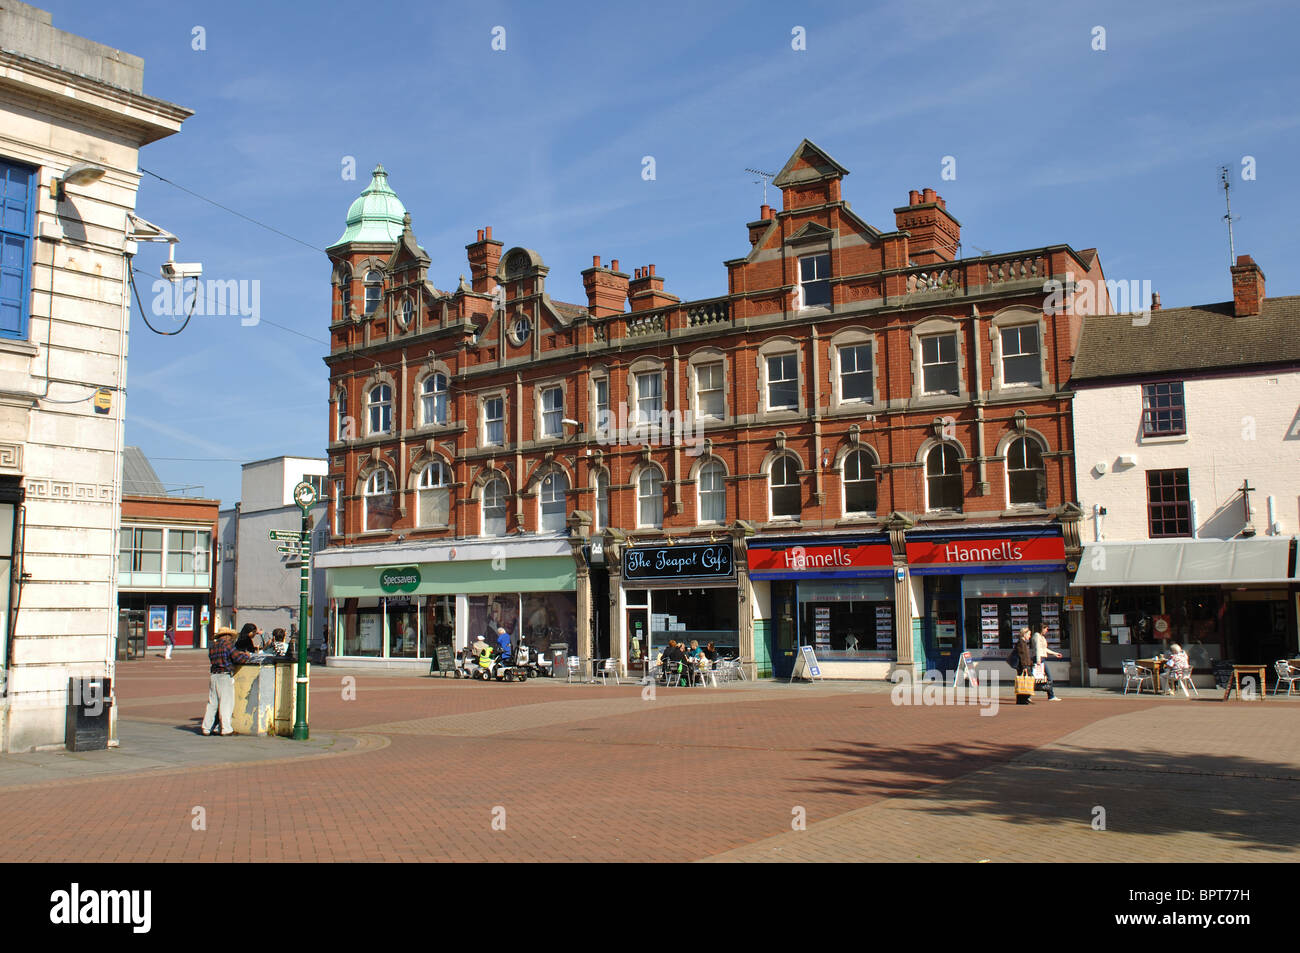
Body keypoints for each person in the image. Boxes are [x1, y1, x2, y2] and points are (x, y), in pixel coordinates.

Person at [201, 627, 253, 735]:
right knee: (226, 703)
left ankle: (206, 728)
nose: (231, 639)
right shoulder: (227, 645)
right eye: (230, 637)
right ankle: (226, 728)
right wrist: (247, 655)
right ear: (227, 636)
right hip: (224, 675)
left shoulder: (212, 646)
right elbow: (238, 657)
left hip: (213, 675)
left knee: (212, 703)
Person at [1031, 626, 1061, 701]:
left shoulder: (1042, 637)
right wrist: (1038, 660)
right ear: (1042, 628)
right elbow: (1037, 648)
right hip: (1039, 659)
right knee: (1045, 678)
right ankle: (1050, 695)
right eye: (1046, 629)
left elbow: (1044, 649)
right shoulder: (1037, 636)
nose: (1047, 631)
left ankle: (1051, 695)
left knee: (1041, 678)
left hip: (1042, 658)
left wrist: (1055, 653)